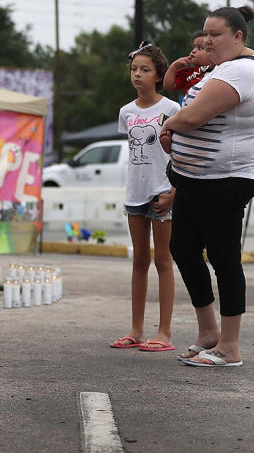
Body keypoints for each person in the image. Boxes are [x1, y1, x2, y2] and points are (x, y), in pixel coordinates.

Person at [159, 6, 254, 367]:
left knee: (224, 258)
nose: (208, 40)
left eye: (217, 34)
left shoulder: (242, 71)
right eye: (205, 33)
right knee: (183, 248)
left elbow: (193, 116)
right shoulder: (223, 69)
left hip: (225, 180)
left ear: (238, 37)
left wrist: (170, 126)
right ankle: (209, 332)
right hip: (197, 179)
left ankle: (230, 347)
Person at [110, 43, 180, 352]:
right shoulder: (126, 112)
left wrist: (173, 192)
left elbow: (181, 154)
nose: (137, 75)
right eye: (134, 70)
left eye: (145, 70)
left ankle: (164, 332)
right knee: (139, 260)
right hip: (134, 193)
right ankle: (136, 330)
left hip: (162, 191)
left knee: (163, 260)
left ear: (158, 75)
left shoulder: (172, 110)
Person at [162, 30, 214, 99]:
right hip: (190, 108)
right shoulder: (188, 72)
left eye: (200, 48)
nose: (193, 51)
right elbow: (168, 86)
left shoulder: (218, 69)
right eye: (193, 47)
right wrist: (174, 66)